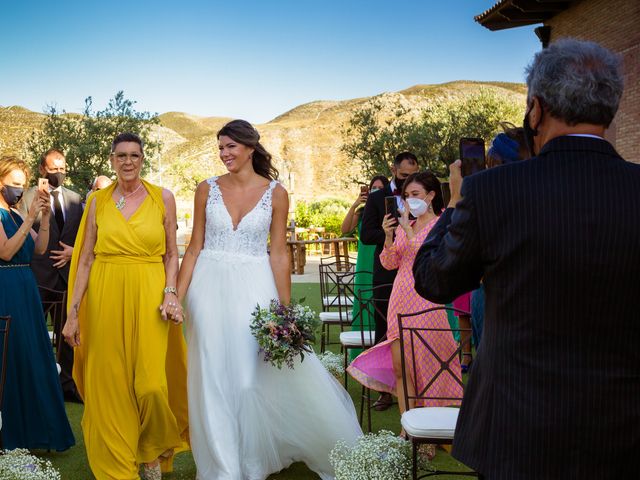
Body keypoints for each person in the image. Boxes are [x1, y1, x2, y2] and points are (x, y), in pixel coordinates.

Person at [412, 39, 639, 479]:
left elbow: (433, 280)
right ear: (610, 107)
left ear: (535, 109)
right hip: (623, 429)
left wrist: (457, 202)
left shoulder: (492, 192)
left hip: (517, 427)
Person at [177, 119, 361, 480]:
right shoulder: (206, 189)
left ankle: (252, 460)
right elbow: (194, 247)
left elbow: (278, 253)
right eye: (220, 147)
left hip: (254, 289)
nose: (224, 154)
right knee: (211, 376)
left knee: (249, 378)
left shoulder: (276, 193)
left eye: (230, 146)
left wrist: (285, 310)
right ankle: (224, 467)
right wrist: (176, 296)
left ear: (250, 147)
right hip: (207, 290)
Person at [62, 133, 189, 480]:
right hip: (104, 293)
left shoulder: (162, 197)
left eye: (134, 155)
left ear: (142, 158)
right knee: (111, 384)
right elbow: (85, 258)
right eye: (121, 155)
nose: (128, 161)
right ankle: (119, 467)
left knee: (151, 384)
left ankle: (152, 448)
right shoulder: (97, 202)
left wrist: (170, 291)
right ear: (112, 160)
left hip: (149, 293)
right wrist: (73, 313)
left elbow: (172, 253)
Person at [348, 172, 461, 459]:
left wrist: (408, 233)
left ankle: (428, 433)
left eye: (415, 194)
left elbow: (431, 257)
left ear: (431, 195)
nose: (410, 200)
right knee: (402, 368)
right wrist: (389, 235)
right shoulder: (403, 224)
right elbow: (389, 262)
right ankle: (409, 428)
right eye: (407, 195)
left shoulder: (442, 223)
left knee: (428, 367)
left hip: (427, 300)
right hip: (399, 298)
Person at [0, 155, 75, 450]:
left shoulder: (17, 214)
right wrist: (30, 216)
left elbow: (39, 249)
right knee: (10, 358)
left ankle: (38, 432)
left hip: (26, 290)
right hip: (5, 288)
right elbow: (6, 252)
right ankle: (11, 432)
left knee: (33, 358)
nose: (19, 189)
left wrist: (42, 219)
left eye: (23, 184)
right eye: (13, 184)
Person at [19, 148, 84, 402]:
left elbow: (85, 236)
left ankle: (68, 386)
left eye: (63, 168)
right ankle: (34, 387)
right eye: (54, 169)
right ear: (42, 170)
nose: (59, 173)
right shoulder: (26, 199)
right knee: (33, 335)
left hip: (68, 277)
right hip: (38, 277)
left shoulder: (76, 198)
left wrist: (73, 253)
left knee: (68, 336)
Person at [360, 152, 419, 410]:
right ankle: (384, 390)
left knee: (415, 328)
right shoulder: (376, 199)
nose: (408, 183)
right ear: (393, 170)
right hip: (385, 272)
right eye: (404, 177)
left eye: (412, 177)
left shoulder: (420, 197)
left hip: (414, 270)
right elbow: (365, 235)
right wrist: (389, 233)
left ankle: (416, 385)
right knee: (383, 328)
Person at [341, 175, 389, 359]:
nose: (375, 190)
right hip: (364, 263)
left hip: (381, 261)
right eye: (373, 187)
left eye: (379, 187)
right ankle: (361, 356)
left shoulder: (388, 212)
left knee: (380, 307)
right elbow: (345, 230)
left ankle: (380, 353)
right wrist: (355, 205)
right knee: (363, 303)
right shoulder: (362, 212)